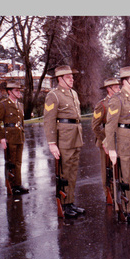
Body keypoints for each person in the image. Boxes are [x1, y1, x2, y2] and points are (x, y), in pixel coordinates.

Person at [103, 66, 130, 224]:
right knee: (125, 178)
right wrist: (112, 149)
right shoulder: (117, 99)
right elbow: (110, 125)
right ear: (125, 81)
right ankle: (125, 211)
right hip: (124, 143)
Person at [44, 65, 85, 218]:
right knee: (64, 171)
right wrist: (52, 143)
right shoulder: (53, 95)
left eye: (72, 77)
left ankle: (70, 201)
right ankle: (64, 203)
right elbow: (49, 120)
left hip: (75, 136)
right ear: (60, 79)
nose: (72, 79)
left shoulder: (73, 93)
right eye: (68, 77)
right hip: (64, 139)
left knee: (73, 171)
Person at [0, 81, 29, 195]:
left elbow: (21, 122)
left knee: (18, 162)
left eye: (19, 90)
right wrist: (1, 138)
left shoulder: (20, 105)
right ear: (9, 92)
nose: (19, 92)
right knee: (10, 162)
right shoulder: (3, 104)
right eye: (16, 90)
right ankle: (11, 185)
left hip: (19, 137)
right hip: (9, 137)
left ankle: (17, 184)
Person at [92, 77, 121, 202]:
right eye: (116, 87)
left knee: (117, 168)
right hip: (105, 141)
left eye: (119, 87)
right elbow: (95, 126)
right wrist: (104, 141)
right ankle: (108, 193)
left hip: (119, 139)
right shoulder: (102, 105)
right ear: (109, 89)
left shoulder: (120, 102)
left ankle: (117, 192)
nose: (119, 89)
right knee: (106, 170)